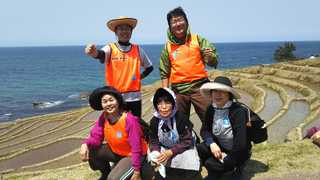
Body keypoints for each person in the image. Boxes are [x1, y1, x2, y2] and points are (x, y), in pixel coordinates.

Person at [85, 16, 154, 117]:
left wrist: (139, 77)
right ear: (116, 32)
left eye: (127, 29)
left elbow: (149, 68)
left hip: (134, 98)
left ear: (131, 32)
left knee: (135, 128)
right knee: (117, 128)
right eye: (121, 29)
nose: (125, 31)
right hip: (115, 98)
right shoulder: (111, 48)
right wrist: (93, 52)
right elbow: (101, 54)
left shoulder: (138, 49)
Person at [79, 86, 153, 180]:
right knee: (92, 150)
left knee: (113, 178)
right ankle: (105, 173)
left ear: (118, 101)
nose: (108, 104)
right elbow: (96, 138)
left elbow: (136, 148)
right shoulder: (104, 117)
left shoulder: (129, 120)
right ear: (101, 104)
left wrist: (137, 171)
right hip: (117, 152)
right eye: (105, 101)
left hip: (132, 155)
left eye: (111, 100)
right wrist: (85, 144)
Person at [159, 7, 218, 123]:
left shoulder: (198, 40)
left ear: (186, 22)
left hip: (200, 87)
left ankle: (212, 140)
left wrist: (210, 57)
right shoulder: (167, 47)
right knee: (180, 123)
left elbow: (213, 62)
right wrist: (165, 94)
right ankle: (188, 141)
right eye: (174, 22)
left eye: (180, 20)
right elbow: (164, 72)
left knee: (211, 119)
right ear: (170, 26)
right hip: (179, 91)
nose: (178, 24)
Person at [197, 76, 252, 179]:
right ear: (211, 93)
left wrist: (229, 158)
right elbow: (204, 130)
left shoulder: (238, 111)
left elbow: (241, 143)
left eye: (222, 91)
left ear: (229, 94)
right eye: (215, 91)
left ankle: (236, 168)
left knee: (210, 163)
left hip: (238, 152)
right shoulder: (211, 109)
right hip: (221, 147)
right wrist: (211, 143)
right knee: (200, 148)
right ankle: (216, 170)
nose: (218, 94)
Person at [148, 87, 202, 180]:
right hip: (165, 147)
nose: (163, 107)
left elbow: (186, 141)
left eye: (167, 102)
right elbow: (153, 140)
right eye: (159, 103)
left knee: (190, 168)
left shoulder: (180, 118)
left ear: (173, 104)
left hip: (184, 146)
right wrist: (155, 151)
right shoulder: (154, 121)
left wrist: (171, 151)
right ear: (156, 106)